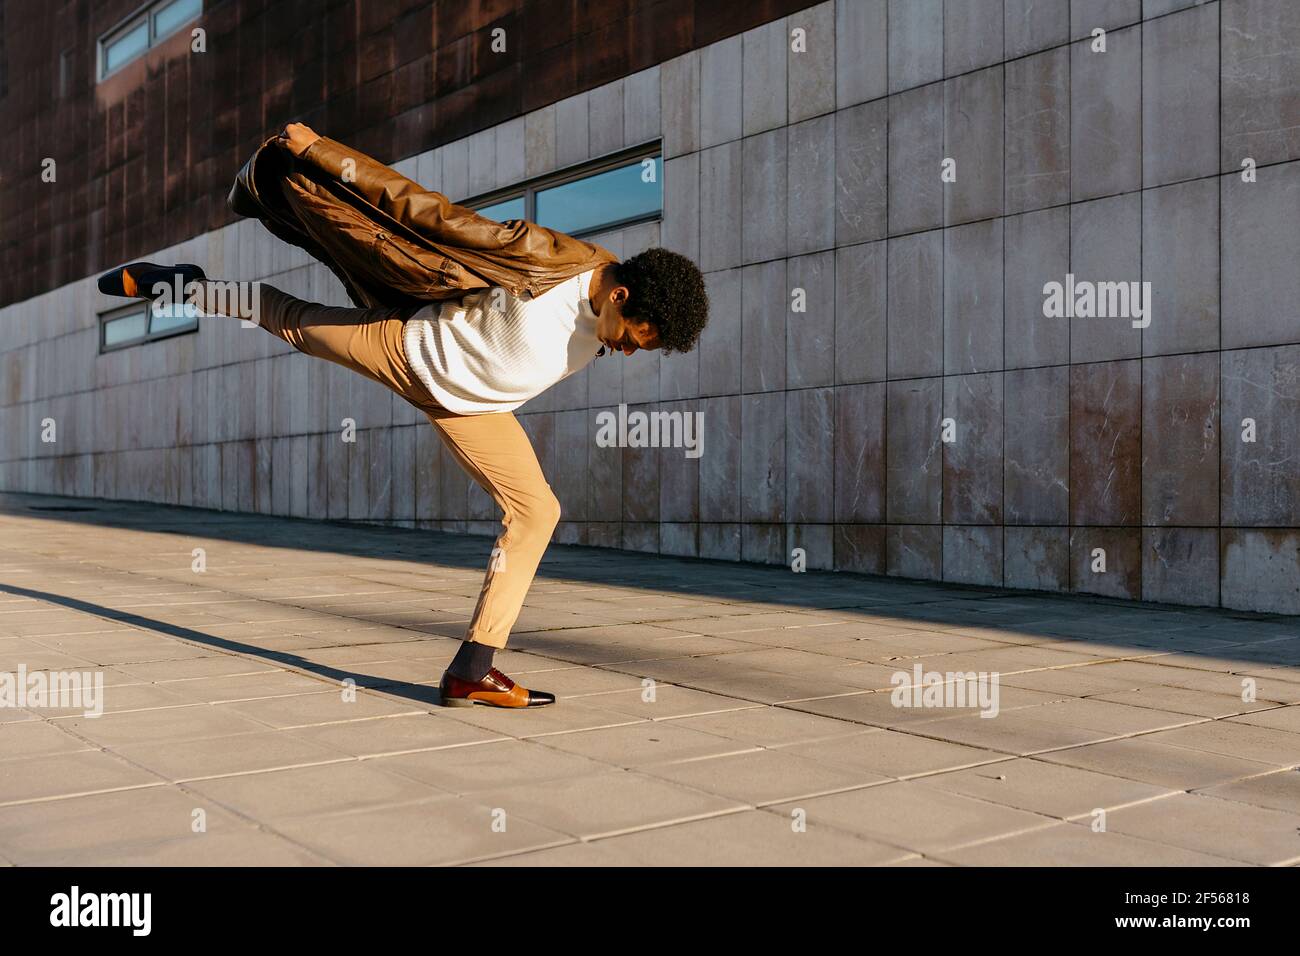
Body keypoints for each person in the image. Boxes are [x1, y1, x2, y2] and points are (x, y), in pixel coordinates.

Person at [99, 123, 710, 708]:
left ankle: (472, 672)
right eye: (635, 337)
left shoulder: (607, 318)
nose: (628, 351)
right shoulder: (549, 262)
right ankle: (182, 287)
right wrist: (320, 153)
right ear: (622, 295)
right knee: (287, 319)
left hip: (475, 411)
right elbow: (430, 213)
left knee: (537, 512)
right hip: (407, 348)